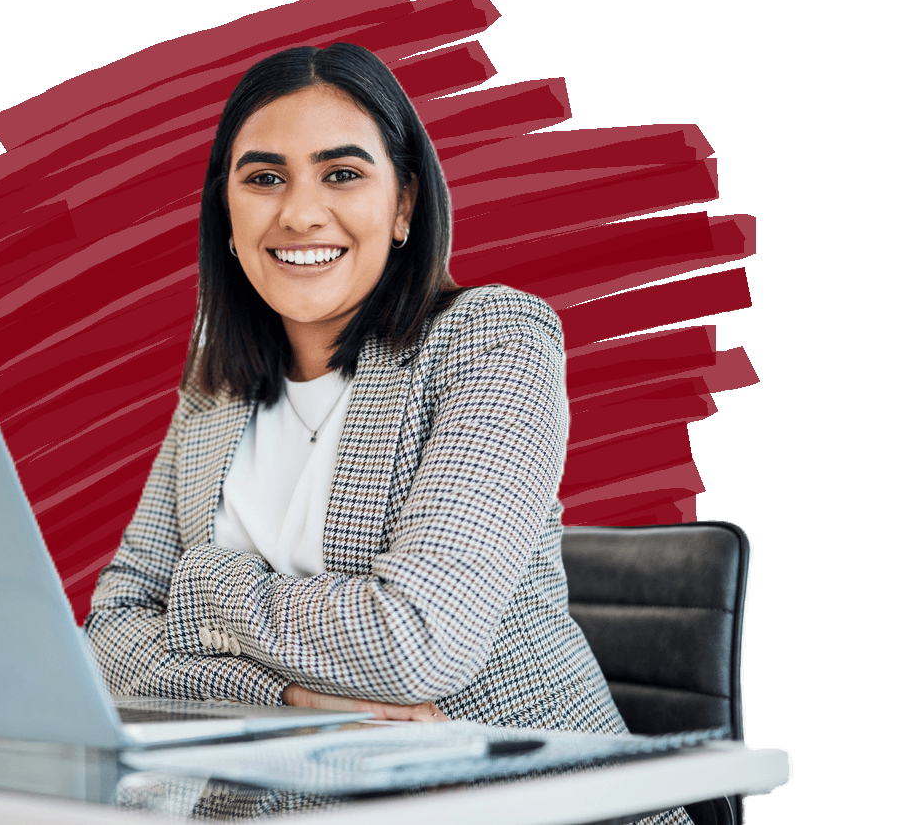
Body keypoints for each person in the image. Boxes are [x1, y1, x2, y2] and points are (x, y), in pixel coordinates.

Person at [85, 42, 687, 824]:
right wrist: (288, 695)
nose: (299, 212)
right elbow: (108, 639)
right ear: (226, 218)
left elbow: (416, 644)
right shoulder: (215, 388)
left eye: (342, 174)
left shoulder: (491, 338)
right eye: (264, 178)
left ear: (403, 204)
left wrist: (204, 589)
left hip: (512, 805)